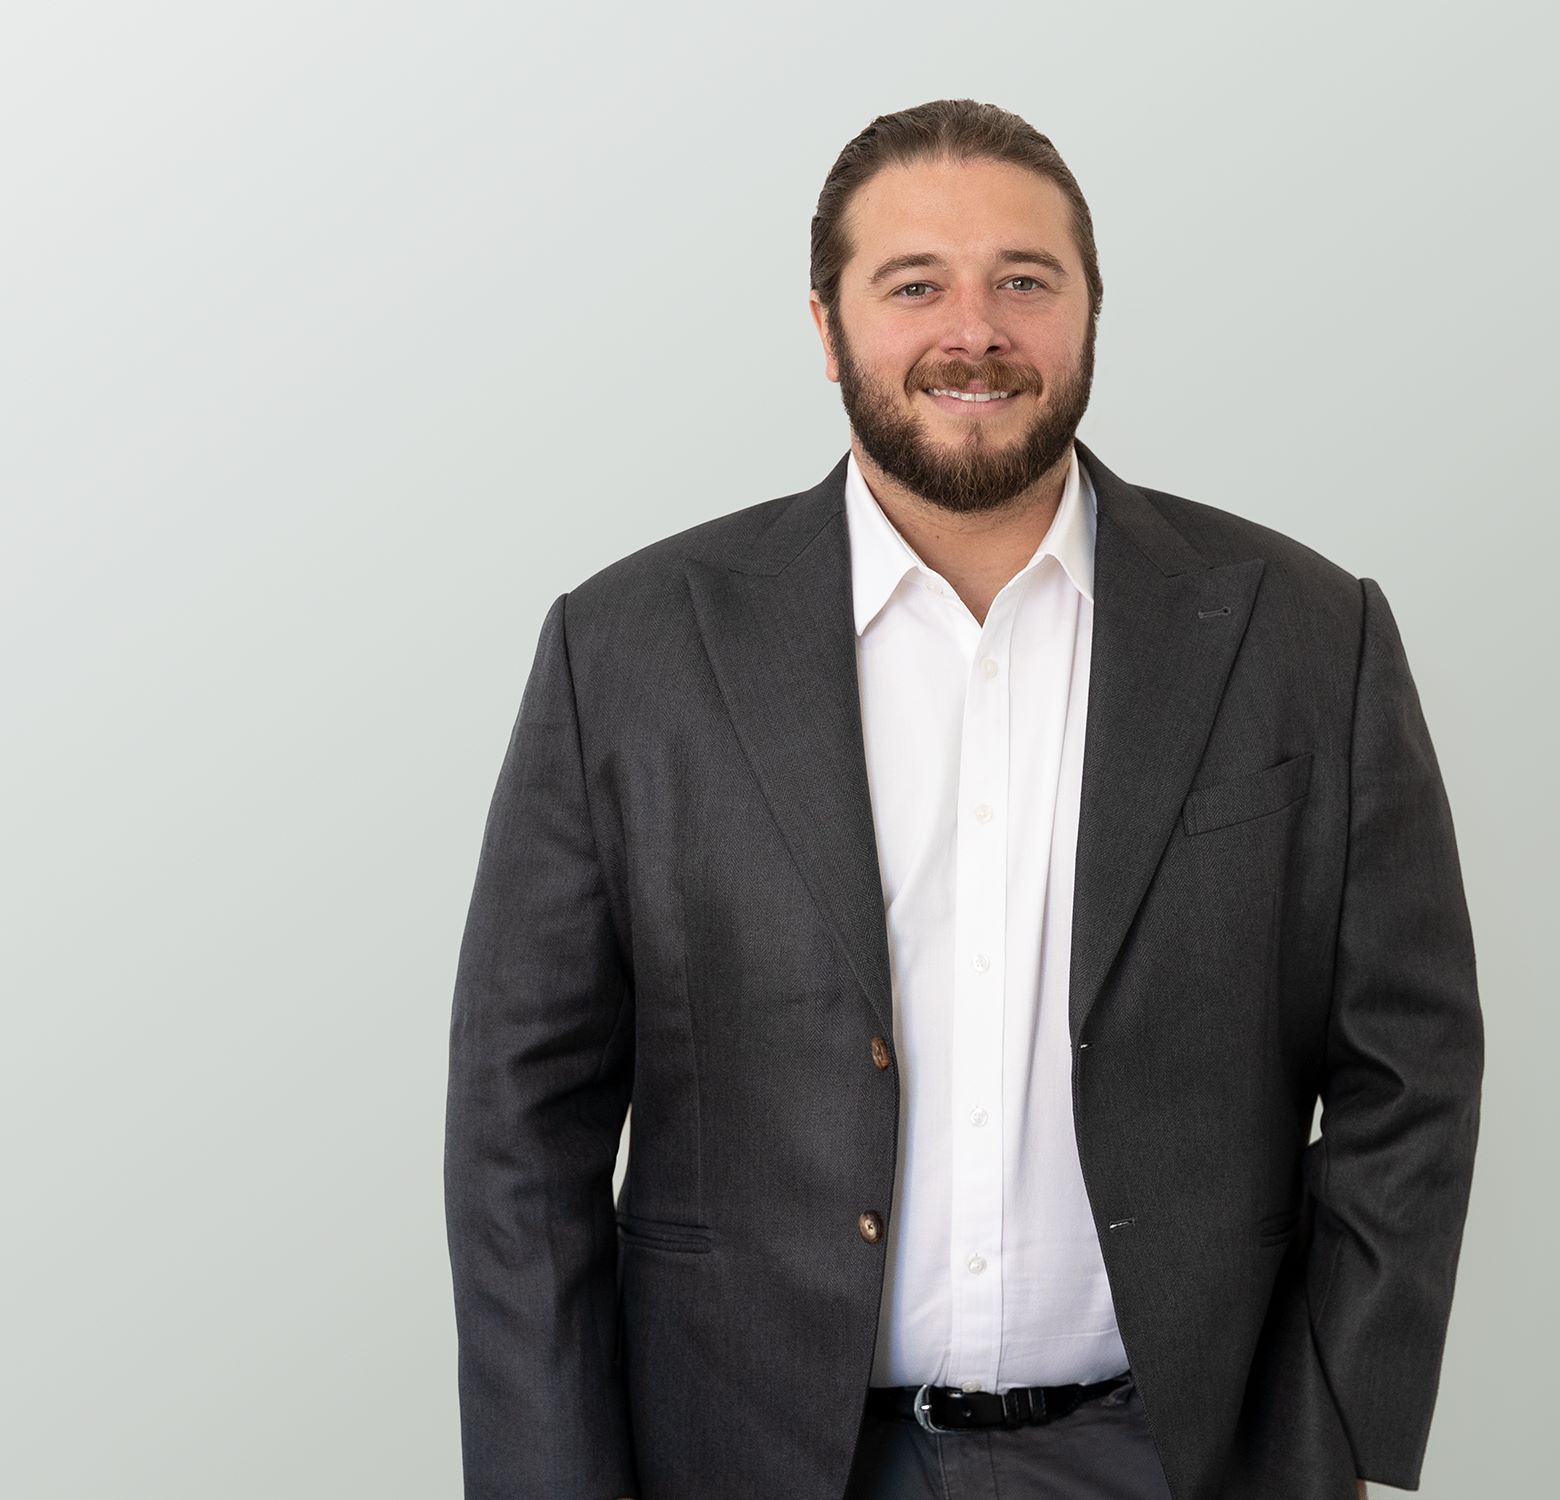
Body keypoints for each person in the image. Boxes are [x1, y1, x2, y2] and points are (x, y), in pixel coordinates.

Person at [442, 98, 1482, 1500]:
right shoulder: (627, 650)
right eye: (915, 285)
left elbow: (1412, 1069)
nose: (974, 331)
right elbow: (520, 1123)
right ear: (828, 328)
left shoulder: (1306, 635)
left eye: (1025, 281)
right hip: (744, 1458)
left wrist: (1330, 1436)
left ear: (1092, 313)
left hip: (1179, 1459)